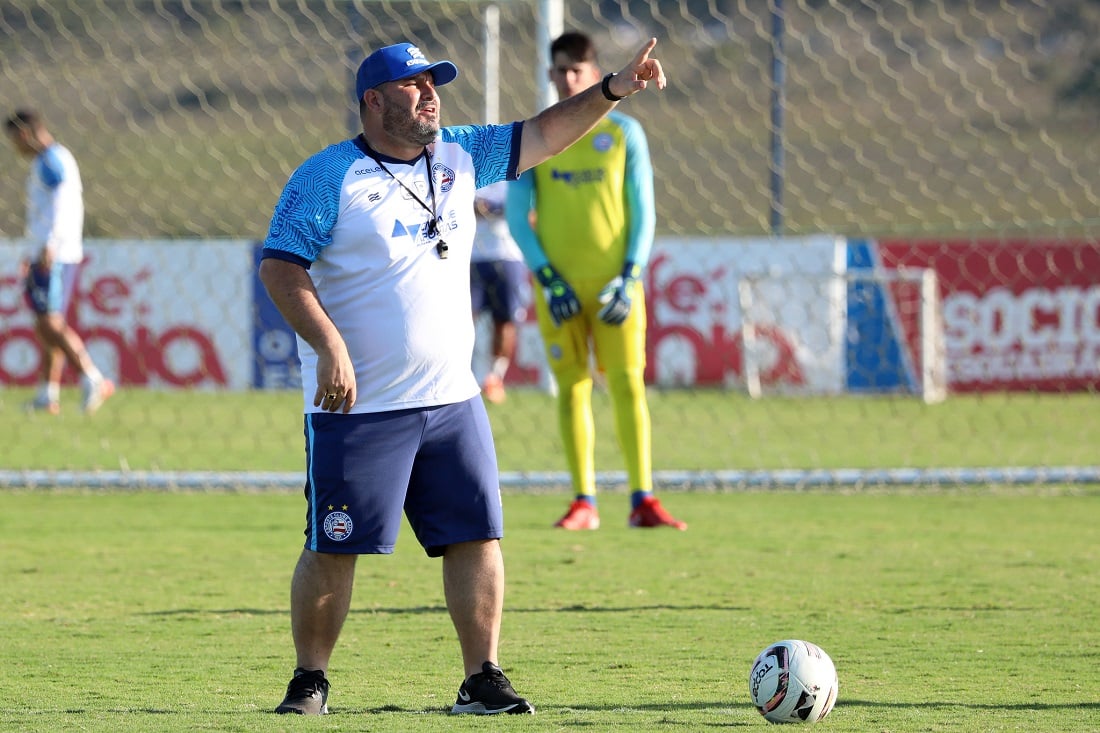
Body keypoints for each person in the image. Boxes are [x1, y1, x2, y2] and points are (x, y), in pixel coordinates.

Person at [258, 38, 667, 716]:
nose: (430, 95)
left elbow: (544, 133)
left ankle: (481, 676)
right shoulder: (326, 176)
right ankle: (310, 680)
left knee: (478, 535)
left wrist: (613, 89)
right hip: (361, 407)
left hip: (452, 401)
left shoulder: (460, 153)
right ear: (373, 100)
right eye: (414, 85)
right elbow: (280, 268)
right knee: (334, 544)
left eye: (434, 83)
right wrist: (327, 341)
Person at [506, 31, 686, 532]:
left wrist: (630, 278)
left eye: (577, 69)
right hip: (559, 290)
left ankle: (643, 499)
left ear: (594, 72)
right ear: (549, 74)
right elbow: (520, 218)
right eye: (560, 69)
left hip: (614, 288)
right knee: (572, 389)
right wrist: (548, 279)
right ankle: (584, 500)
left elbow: (643, 212)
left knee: (628, 385)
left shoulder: (624, 134)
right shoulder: (536, 138)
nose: (568, 78)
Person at [5, 109, 114, 415]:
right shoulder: (52, 159)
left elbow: (61, 203)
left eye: (15, 141)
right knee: (47, 323)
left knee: (48, 321)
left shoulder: (51, 160)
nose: (16, 150)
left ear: (25, 134)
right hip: (52, 251)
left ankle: (93, 378)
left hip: (56, 253)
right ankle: (46, 395)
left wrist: (49, 246)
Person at [470, 180, 528, 404]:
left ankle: (494, 377)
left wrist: (496, 209)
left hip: (508, 254)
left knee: (504, 322)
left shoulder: (518, 169)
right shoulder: (467, 165)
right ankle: (469, 375)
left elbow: (526, 210)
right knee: (465, 319)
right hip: (472, 256)